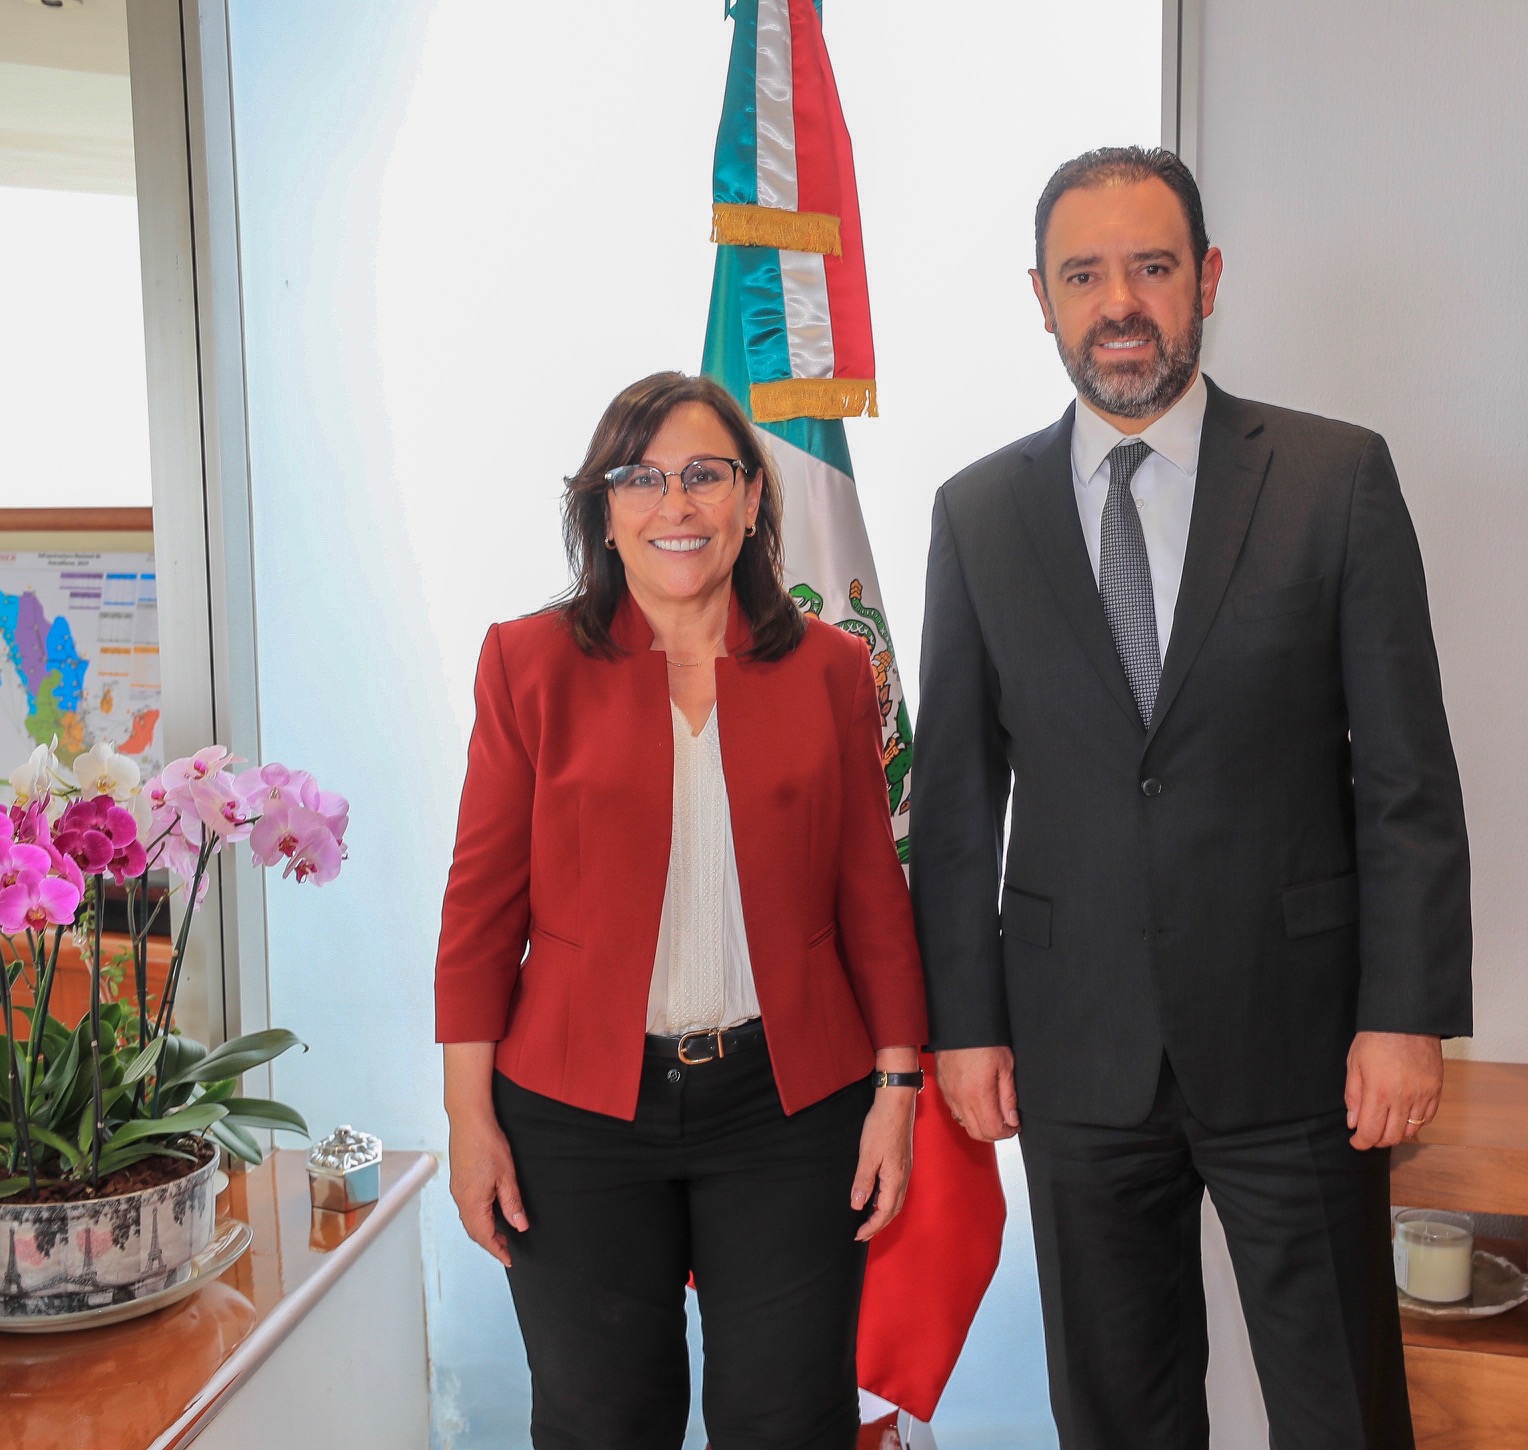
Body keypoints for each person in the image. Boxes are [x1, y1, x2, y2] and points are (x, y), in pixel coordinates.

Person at [910, 147, 1472, 1450]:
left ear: (1206, 279)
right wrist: (965, 1026)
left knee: (1339, 1411)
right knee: (1116, 1414)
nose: (1119, 303)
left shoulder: (1334, 478)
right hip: (1074, 1052)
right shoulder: (977, 513)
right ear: (1041, 298)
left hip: (1303, 1046)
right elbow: (954, 805)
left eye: (1151, 267)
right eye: (1083, 275)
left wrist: (1404, 1013)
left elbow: (1405, 776)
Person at [435, 372, 929, 1450]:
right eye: (643, 477)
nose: (677, 503)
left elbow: (873, 903)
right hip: (575, 1115)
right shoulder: (526, 663)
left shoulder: (834, 669)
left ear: (751, 499)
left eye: (706, 474)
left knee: (788, 1423)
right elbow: (478, 915)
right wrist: (470, 1122)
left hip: (790, 1111)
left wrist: (897, 1093)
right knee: (602, 1423)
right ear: (603, 509)